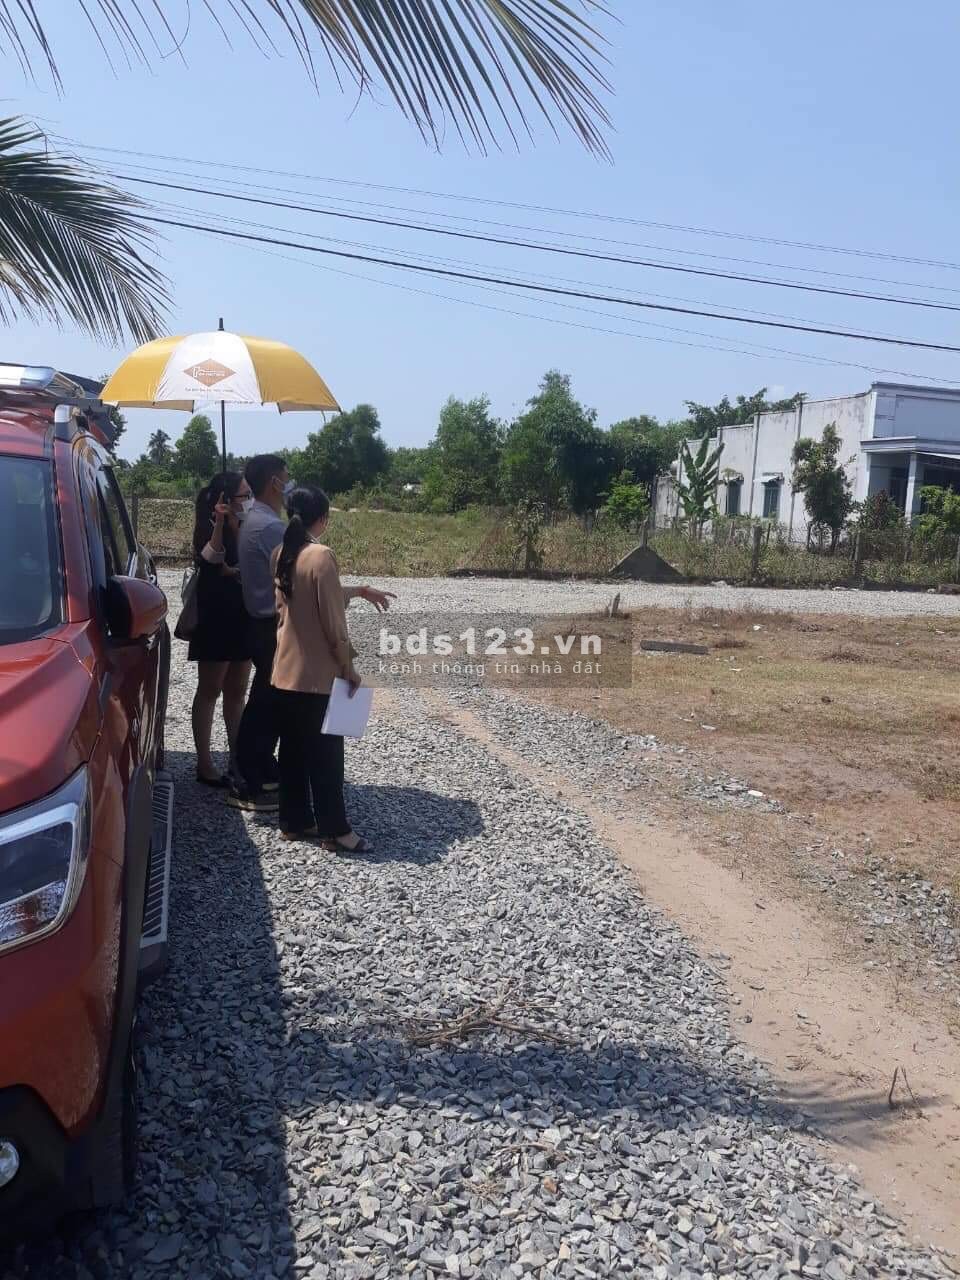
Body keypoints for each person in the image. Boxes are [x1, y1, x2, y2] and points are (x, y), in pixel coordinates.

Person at [230, 455, 395, 811]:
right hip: (278, 632)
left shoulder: (258, 522)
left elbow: (306, 588)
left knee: (268, 708)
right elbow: (314, 594)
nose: (288, 481)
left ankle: (269, 786)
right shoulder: (276, 532)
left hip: (267, 626)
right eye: (285, 476)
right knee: (273, 715)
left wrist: (356, 591)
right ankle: (253, 781)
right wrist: (348, 666)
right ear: (274, 482)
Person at [271, 485, 369, 850]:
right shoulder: (322, 555)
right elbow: (332, 620)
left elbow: (296, 605)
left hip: (284, 670)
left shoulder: (282, 553)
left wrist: (356, 591)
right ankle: (336, 831)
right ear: (323, 518)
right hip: (318, 676)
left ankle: (293, 821)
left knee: (293, 751)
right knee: (327, 756)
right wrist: (348, 666)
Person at [187, 471, 254, 786]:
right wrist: (219, 524)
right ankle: (204, 763)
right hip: (216, 617)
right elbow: (210, 559)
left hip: (242, 614)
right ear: (226, 498)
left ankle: (237, 758)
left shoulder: (244, 524)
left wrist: (235, 527)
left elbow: (247, 562)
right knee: (210, 690)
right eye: (244, 495)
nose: (248, 500)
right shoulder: (208, 524)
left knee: (237, 691)